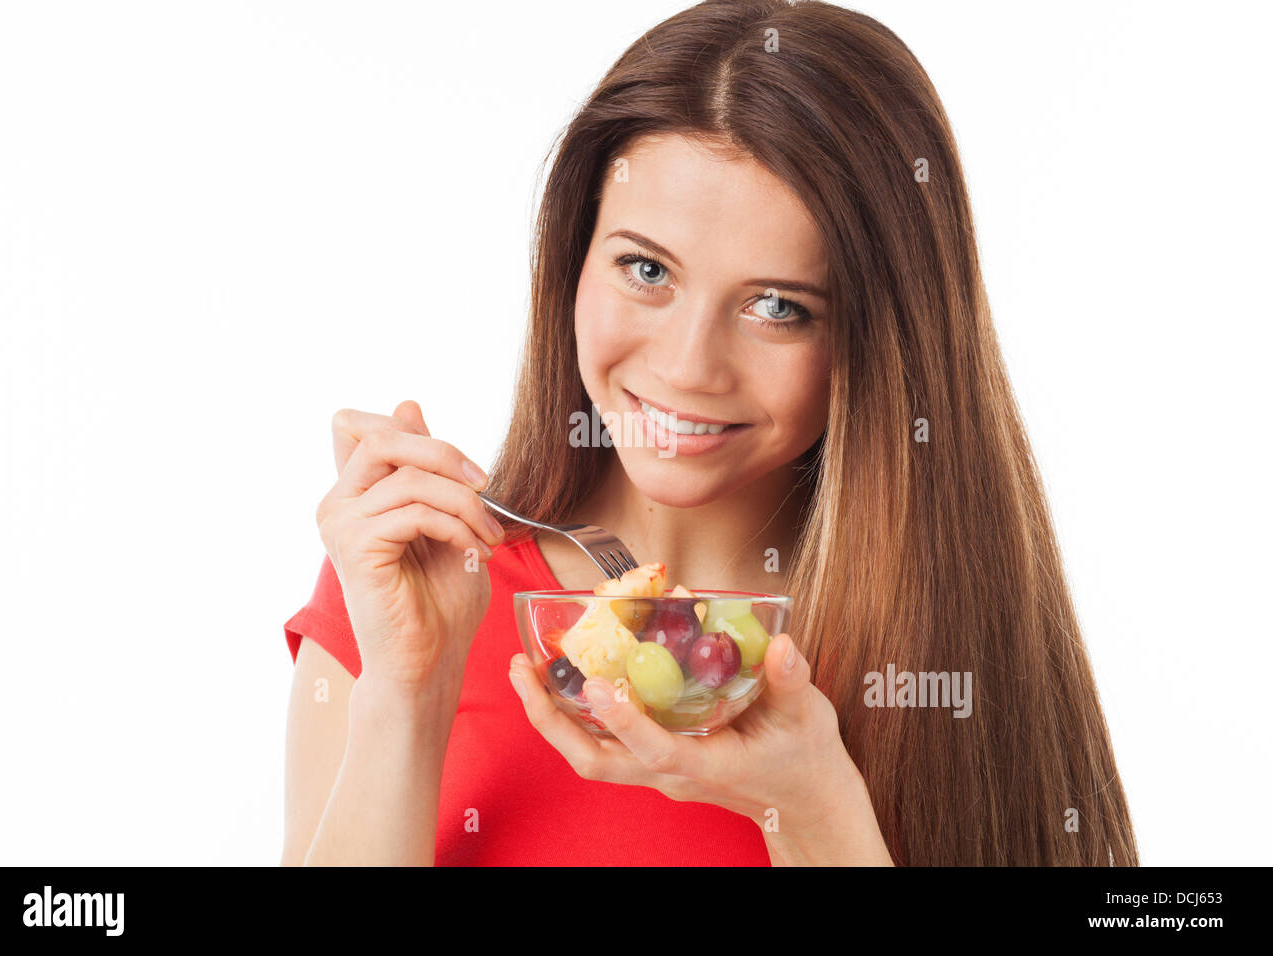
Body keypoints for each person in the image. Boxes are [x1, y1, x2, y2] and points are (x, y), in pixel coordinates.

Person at [281, 0, 1139, 866]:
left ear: (881, 346)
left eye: (777, 308)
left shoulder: (936, 647)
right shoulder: (413, 586)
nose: (690, 367)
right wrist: (410, 698)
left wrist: (816, 813)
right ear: (573, 262)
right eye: (646, 269)